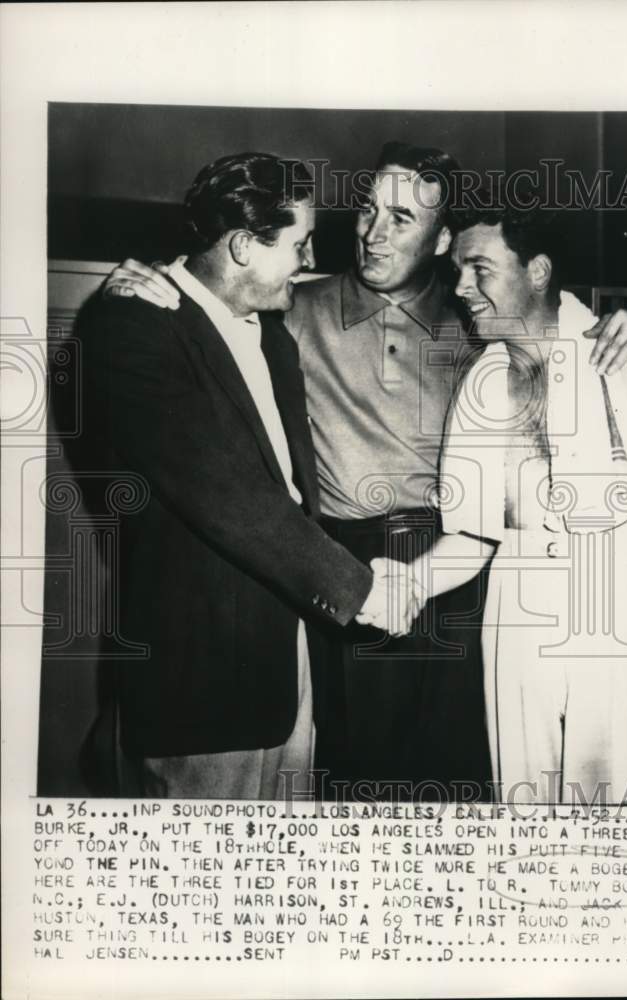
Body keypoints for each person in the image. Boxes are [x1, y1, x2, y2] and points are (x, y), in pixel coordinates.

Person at [103, 142, 627, 801]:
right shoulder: (291, 310)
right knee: (348, 781)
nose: (370, 232)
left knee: (461, 784)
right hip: (339, 566)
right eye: (367, 210)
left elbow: (559, 320)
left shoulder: (478, 318)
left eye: (401, 218)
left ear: (442, 239)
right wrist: (145, 279)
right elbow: (213, 308)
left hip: (454, 565)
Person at [78, 152, 401, 800]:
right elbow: (225, 490)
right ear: (244, 246)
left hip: (286, 670)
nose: (308, 262)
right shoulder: (133, 327)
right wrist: (358, 589)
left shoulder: (273, 332)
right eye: (299, 244)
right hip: (200, 682)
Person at [385, 207, 627, 805]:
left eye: (478, 267)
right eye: (456, 270)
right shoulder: (481, 385)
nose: (460, 287)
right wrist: (406, 583)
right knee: (525, 811)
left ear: (537, 271)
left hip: (622, 618)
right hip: (518, 621)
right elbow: (474, 538)